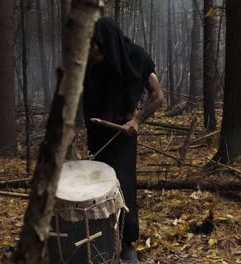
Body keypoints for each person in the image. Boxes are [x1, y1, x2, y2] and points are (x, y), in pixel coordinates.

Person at [83, 17, 163, 263]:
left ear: (107, 42)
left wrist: (137, 121)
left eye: (95, 44)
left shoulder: (136, 57)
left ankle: (127, 243)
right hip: (98, 132)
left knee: (124, 185)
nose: (91, 49)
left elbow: (158, 96)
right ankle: (101, 240)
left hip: (123, 133)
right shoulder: (92, 63)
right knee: (98, 188)